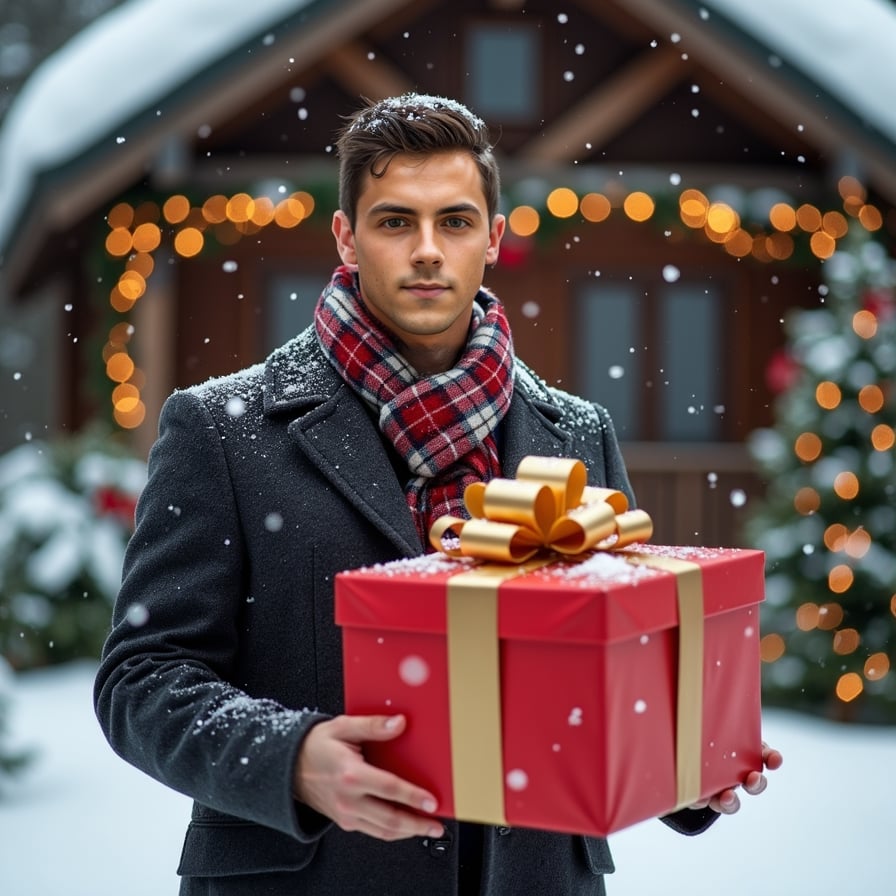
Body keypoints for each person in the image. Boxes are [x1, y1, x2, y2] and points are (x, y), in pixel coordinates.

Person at [94, 93, 782, 896]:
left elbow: (617, 667)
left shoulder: (576, 433)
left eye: (454, 222)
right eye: (394, 222)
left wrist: (683, 769)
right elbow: (142, 678)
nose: (427, 250)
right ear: (347, 237)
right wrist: (293, 760)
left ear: (492, 237)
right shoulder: (221, 428)